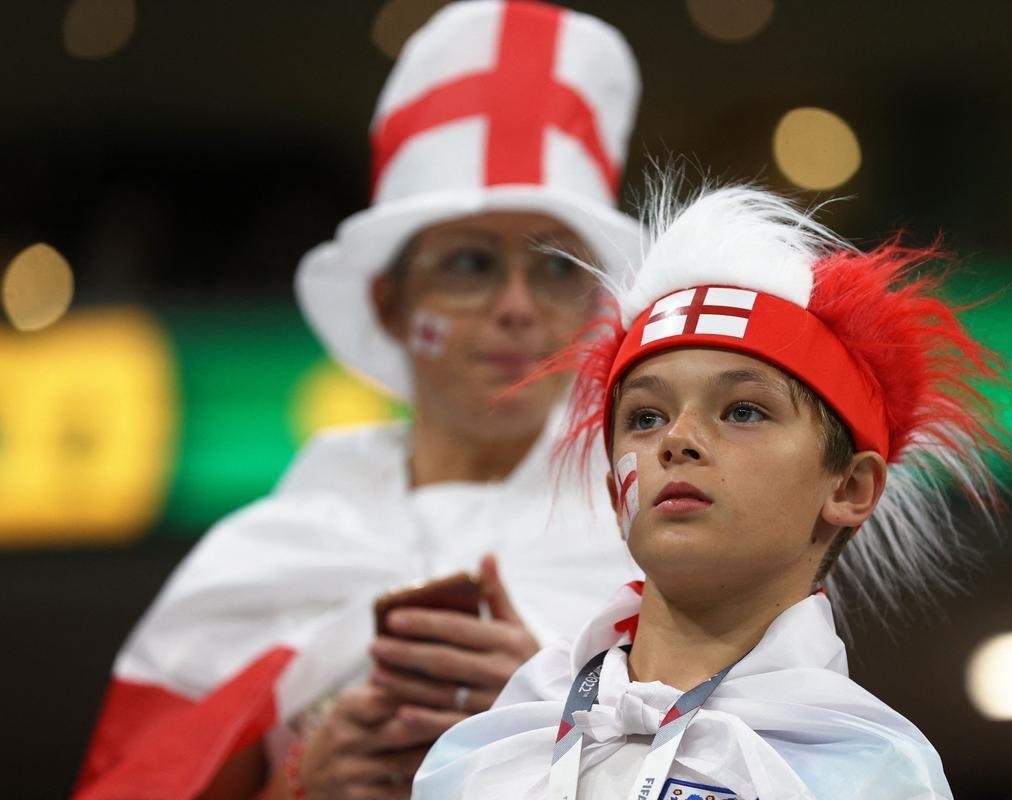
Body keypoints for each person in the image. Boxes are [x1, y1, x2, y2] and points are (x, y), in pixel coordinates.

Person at [75, 2, 643, 798]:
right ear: (389, 304)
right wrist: (299, 788)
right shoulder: (265, 559)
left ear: (597, 308)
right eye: (472, 265)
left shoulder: (663, 549)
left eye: (557, 269)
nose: (518, 306)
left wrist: (558, 719)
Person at [411, 182, 1010, 799]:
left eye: (744, 411)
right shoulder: (488, 747)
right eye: (644, 418)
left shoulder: (873, 775)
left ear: (851, 486)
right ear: (618, 495)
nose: (677, 439)